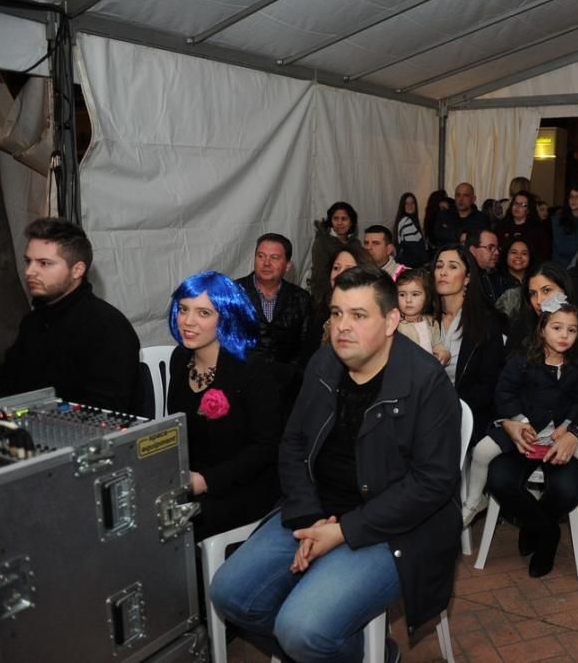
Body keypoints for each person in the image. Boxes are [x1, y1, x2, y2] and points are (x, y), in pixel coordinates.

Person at [210, 266, 461, 662]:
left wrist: (344, 530)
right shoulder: (325, 362)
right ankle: (360, 653)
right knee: (231, 595)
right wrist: (308, 516)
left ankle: (327, 648)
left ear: (392, 320)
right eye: (337, 313)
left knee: (301, 629)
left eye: (358, 315)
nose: (343, 326)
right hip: (316, 508)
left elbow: (432, 484)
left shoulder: (426, 382)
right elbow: (292, 443)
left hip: (393, 530)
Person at [463, 298, 578, 542]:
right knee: (481, 451)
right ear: (542, 329)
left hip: (559, 435)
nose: (564, 335)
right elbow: (504, 392)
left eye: (572, 329)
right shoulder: (522, 362)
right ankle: (474, 500)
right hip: (522, 429)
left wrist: (568, 427)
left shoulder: (576, 367)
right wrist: (519, 420)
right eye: (557, 328)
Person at [0, 218, 140, 413]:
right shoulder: (33, 323)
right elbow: (5, 383)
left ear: (77, 270)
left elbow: (106, 408)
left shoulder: (107, 327)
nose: (30, 272)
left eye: (44, 263)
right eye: (28, 261)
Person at [166, 271, 283, 540]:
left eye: (204, 313)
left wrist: (206, 481)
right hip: (193, 477)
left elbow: (266, 448)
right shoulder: (180, 358)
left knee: (174, 527)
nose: (188, 322)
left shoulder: (252, 370)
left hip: (246, 486)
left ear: (226, 317)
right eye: (183, 309)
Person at [433, 245, 505, 442]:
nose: (443, 272)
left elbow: (489, 384)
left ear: (467, 278)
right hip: (425, 413)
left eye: (453, 267)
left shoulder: (486, 323)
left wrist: (452, 406)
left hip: (467, 415)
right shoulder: (422, 318)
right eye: (439, 266)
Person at [235, 233, 312, 406]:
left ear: (287, 266)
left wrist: (289, 375)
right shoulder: (234, 293)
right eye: (261, 256)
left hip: (286, 390)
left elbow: (306, 346)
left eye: (274, 258)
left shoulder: (301, 298)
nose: (266, 263)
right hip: (242, 387)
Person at [308, 245, 375, 352]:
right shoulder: (321, 306)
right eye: (336, 268)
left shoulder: (371, 314)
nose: (339, 274)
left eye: (349, 269)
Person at [395, 266, 449, 365]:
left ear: (427, 297)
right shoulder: (395, 324)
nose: (408, 300)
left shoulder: (431, 322)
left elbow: (437, 344)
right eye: (402, 294)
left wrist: (443, 353)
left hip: (427, 373)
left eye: (415, 294)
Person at [309, 201, 360, 307]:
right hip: (327, 297)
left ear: (351, 222)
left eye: (344, 219)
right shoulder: (322, 242)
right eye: (336, 218)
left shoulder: (356, 243)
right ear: (330, 221)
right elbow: (320, 274)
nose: (339, 223)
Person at [495, 190, 551, 262]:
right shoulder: (501, 227)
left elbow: (543, 255)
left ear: (528, 210)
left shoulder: (537, 230)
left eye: (523, 204)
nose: (517, 207)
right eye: (515, 203)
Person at [465, 228, 514, 305]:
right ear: (472, 250)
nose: (497, 252)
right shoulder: (463, 277)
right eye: (490, 247)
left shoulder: (498, 275)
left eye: (497, 248)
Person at [430, 182, 488, 247]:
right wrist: (461, 236)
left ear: (473, 199)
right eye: (458, 195)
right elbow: (438, 234)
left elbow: (483, 241)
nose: (461, 199)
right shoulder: (444, 215)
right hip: (447, 254)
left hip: (470, 256)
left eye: (466, 195)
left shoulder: (481, 219)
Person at [550, 184, 578, 266]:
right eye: (571, 196)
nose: (573, 200)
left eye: (577, 197)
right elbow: (562, 248)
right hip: (561, 266)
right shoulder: (558, 219)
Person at [494, 238, 532, 320]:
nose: (519, 256)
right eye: (514, 252)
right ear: (506, 255)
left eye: (524, 253)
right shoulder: (495, 282)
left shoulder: (535, 281)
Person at [394, 192, 429, 267]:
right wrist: (426, 262)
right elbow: (414, 247)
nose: (410, 206)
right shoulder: (407, 221)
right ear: (403, 206)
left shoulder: (405, 220)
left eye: (412, 203)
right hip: (411, 266)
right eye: (406, 203)